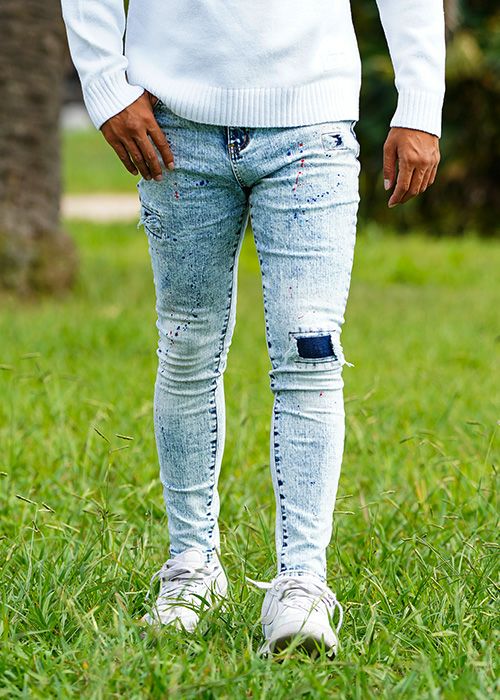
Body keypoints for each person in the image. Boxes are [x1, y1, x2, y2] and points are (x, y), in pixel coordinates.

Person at [60, 0, 445, 657]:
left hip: (311, 122)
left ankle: (303, 586)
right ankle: (192, 569)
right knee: (186, 347)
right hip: (174, 125)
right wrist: (105, 85)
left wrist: (421, 103)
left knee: (311, 350)